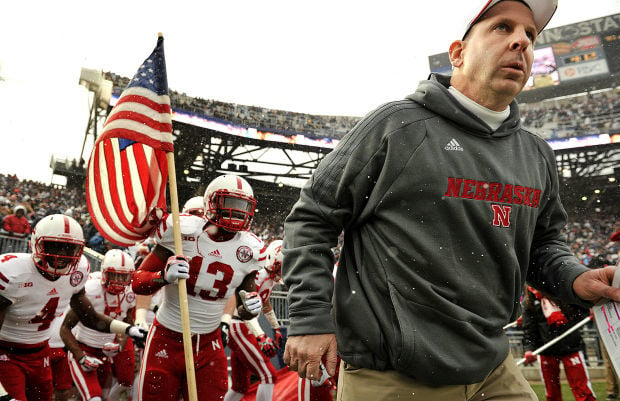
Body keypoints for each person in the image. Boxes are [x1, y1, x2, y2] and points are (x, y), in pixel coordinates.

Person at [281, 1, 620, 400]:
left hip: (491, 364)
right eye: (501, 28)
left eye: (529, 35)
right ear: (457, 54)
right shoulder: (396, 126)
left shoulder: (535, 153)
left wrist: (574, 278)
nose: (519, 42)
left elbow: (544, 246)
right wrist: (308, 317)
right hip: (393, 374)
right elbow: (313, 217)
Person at [132, 174, 266, 401]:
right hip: (166, 335)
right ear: (212, 203)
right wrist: (163, 277)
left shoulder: (250, 249)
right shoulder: (182, 230)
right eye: (231, 204)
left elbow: (242, 309)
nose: (238, 212)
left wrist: (251, 309)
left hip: (208, 343)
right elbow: (138, 282)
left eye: (243, 206)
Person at [0, 214, 146, 401]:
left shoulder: (78, 272)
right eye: (54, 245)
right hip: (7, 353)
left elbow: (89, 317)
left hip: (40, 352)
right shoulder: (11, 273)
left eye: (69, 247)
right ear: (36, 243)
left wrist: (128, 329)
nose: (62, 254)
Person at [60, 249, 137, 401]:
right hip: (84, 350)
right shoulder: (90, 289)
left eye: (123, 276)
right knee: (94, 398)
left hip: (105, 355)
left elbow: (127, 327)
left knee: (99, 396)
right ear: (104, 273)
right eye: (114, 275)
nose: (118, 281)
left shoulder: (129, 294)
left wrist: (119, 345)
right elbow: (65, 329)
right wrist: (81, 357)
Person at [223, 239, 284, 401]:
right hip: (239, 324)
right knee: (269, 375)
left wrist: (276, 327)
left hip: (242, 325)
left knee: (240, 386)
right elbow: (246, 309)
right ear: (274, 259)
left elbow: (265, 304)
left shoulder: (269, 279)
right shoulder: (258, 275)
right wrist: (260, 335)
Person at [521, 285, 595, 401]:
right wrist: (529, 349)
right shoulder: (529, 302)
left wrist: (590, 310)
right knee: (552, 394)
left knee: (583, 391)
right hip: (546, 351)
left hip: (571, 347)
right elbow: (529, 328)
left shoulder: (561, 291)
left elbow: (579, 310)